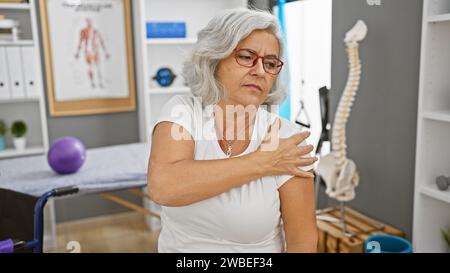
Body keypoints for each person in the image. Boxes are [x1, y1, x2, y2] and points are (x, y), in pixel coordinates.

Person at [147, 8, 318, 253]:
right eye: (247, 57)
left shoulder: (287, 141)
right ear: (214, 60)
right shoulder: (182, 112)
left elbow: (303, 242)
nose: (260, 71)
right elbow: (163, 187)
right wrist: (262, 162)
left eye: (270, 63)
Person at [75, 18, 110, 89]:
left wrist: (105, 52)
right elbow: (80, 41)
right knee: (90, 67)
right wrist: (77, 52)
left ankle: (100, 82)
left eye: (90, 22)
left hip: (95, 51)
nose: (89, 23)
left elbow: (101, 41)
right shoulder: (83, 31)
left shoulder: (95, 31)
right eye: (88, 22)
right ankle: (92, 83)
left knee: (98, 67)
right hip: (87, 51)